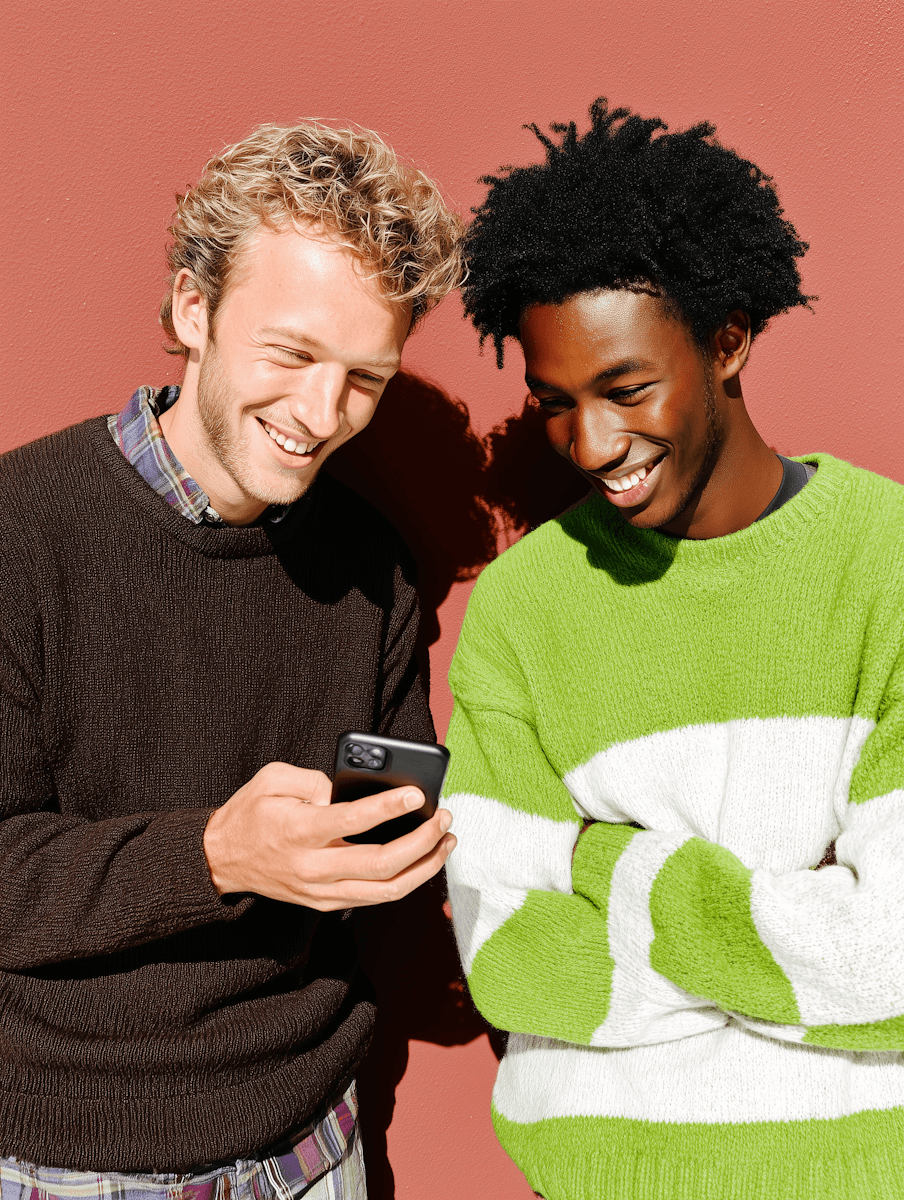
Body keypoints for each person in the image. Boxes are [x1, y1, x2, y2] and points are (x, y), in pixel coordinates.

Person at [442, 98, 904, 1200]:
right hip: (599, 1176)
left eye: (626, 389)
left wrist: (601, 862)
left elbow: (888, 960)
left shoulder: (886, 565)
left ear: (728, 340)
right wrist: (790, 926)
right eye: (555, 403)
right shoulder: (521, 610)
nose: (592, 444)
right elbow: (509, 958)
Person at [0, 121, 462, 1197]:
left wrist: (393, 852)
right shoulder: (19, 534)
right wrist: (214, 854)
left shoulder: (372, 563)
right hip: (72, 1161)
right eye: (291, 355)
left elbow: (381, 821)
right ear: (192, 311)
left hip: (314, 1148)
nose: (320, 414)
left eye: (364, 377)